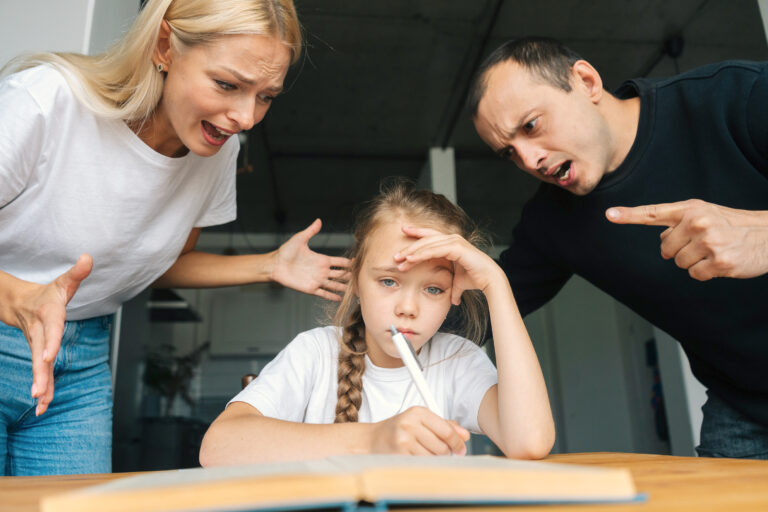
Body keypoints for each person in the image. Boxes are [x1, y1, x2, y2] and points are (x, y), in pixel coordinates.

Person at [0, 0, 350, 476]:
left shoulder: (215, 152)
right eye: (227, 85)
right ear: (164, 45)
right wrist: (17, 295)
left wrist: (269, 265)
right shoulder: (47, 101)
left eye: (266, 96)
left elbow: (159, 263)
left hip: (80, 362)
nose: (245, 117)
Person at [469, 36, 768, 459]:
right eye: (509, 153)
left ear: (587, 82)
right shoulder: (552, 222)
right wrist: (381, 285)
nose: (530, 159)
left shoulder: (737, 96)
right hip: (743, 405)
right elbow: (477, 308)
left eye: (531, 126)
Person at [199, 182, 554, 465]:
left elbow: (530, 442)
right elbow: (217, 447)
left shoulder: (456, 360)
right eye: (389, 281)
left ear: (453, 293)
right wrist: (374, 439)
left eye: (433, 288)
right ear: (356, 280)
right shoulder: (316, 353)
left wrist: (497, 284)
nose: (408, 308)